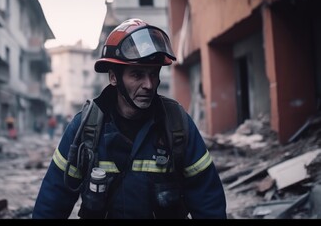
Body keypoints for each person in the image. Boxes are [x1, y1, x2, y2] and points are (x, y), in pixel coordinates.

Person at [32, 18, 227, 219]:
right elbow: (53, 199)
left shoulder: (177, 125)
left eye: (153, 74)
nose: (149, 85)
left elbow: (207, 199)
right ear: (114, 77)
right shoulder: (85, 128)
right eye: (137, 74)